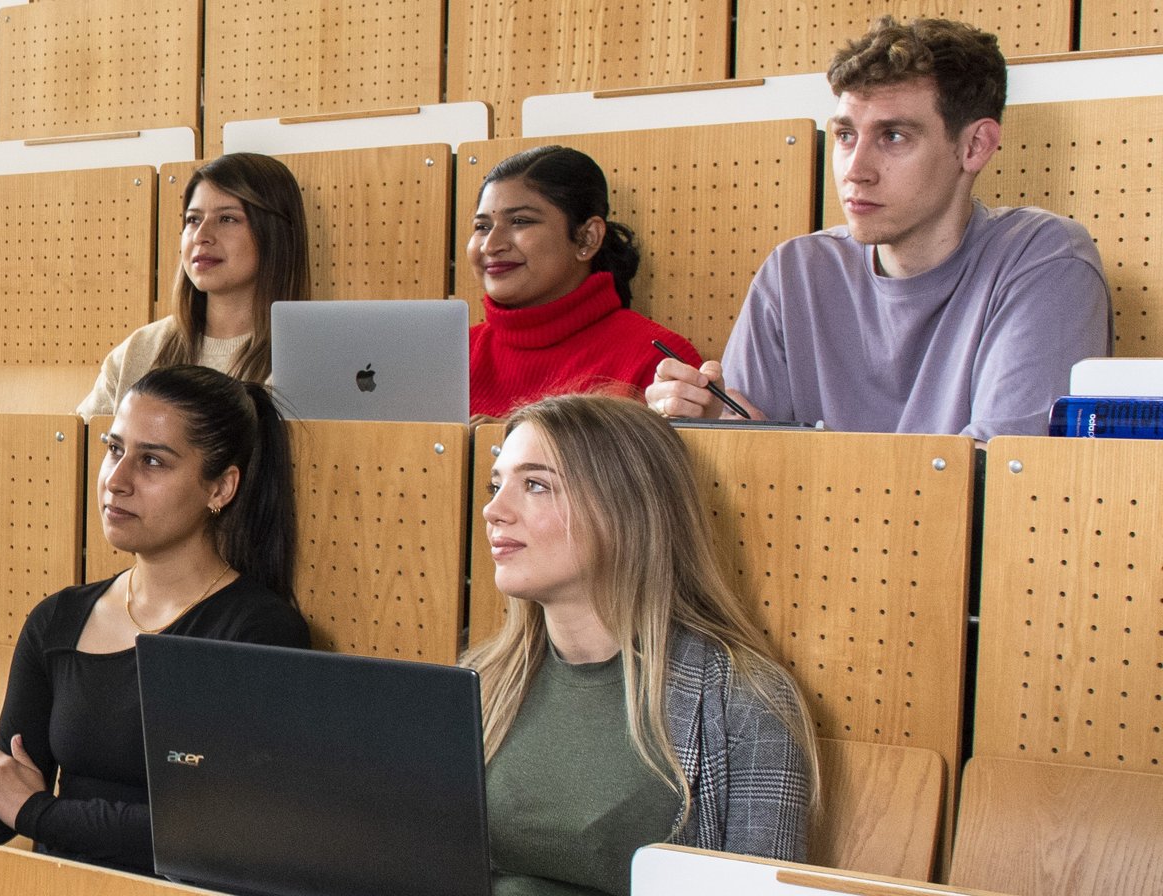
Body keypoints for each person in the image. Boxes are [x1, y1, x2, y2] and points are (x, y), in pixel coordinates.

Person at [646, 17, 1113, 441]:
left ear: (975, 146)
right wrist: (709, 432)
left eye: (893, 137)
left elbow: (998, 482)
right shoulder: (795, 270)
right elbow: (753, 478)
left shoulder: (1045, 258)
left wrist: (792, 451)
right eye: (846, 136)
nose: (856, 170)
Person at [465, 393, 818, 896]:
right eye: (496, 485)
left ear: (626, 510)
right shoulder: (480, 677)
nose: (493, 510)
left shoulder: (744, 702)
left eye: (536, 485)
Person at [0, 365, 310, 873]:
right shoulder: (57, 619)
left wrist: (38, 812)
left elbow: (211, 831)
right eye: (113, 448)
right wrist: (23, 809)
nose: (116, 480)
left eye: (151, 461)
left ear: (221, 488)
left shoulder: (258, 632)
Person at [468, 146, 702, 418]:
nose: (491, 245)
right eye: (482, 227)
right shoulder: (450, 355)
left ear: (588, 237)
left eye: (520, 221)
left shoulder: (660, 363)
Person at [77, 153, 311, 420]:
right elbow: (80, 451)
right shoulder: (138, 350)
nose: (201, 236)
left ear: (275, 234)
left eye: (227, 219)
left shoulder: (306, 360)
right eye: (193, 219)